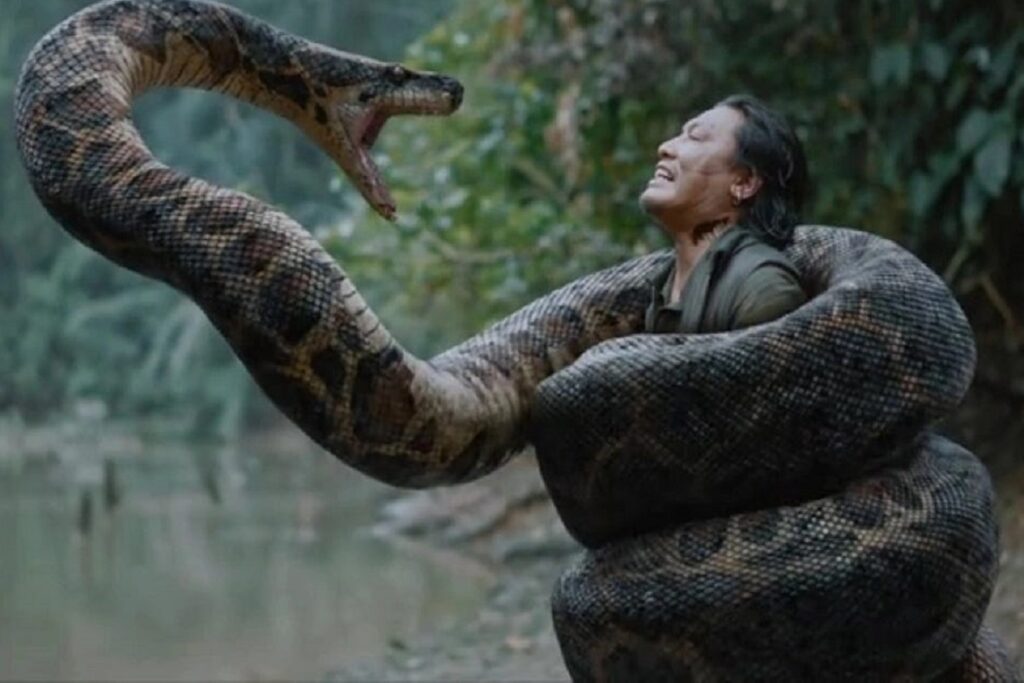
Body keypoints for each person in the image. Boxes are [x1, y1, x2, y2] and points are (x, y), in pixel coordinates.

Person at [639, 94, 809, 334]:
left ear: (744, 183)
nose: (665, 147)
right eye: (680, 135)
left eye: (695, 137)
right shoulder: (661, 284)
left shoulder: (763, 287)